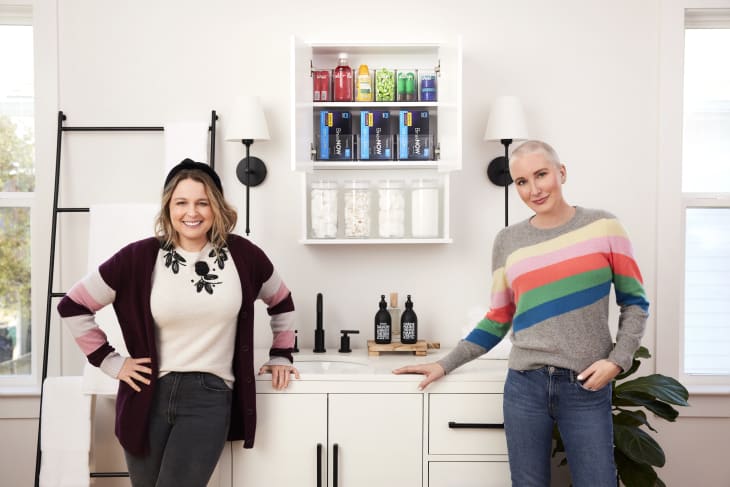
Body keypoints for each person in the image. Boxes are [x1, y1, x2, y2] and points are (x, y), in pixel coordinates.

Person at [394, 140, 649, 487]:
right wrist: (444, 363)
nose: (533, 189)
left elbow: (634, 301)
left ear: (561, 172)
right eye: (522, 181)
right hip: (525, 387)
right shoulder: (508, 241)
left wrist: (617, 361)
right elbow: (499, 317)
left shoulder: (604, 227)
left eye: (541, 175)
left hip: (586, 386)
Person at [57, 159, 299, 487]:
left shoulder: (243, 256)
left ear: (216, 206)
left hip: (209, 396)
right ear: (168, 206)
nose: (192, 212)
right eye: (181, 202)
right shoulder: (138, 258)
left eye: (202, 202)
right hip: (146, 395)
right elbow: (73, 305)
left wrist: (281, 355)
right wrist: (111, 362)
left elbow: (281, 301)